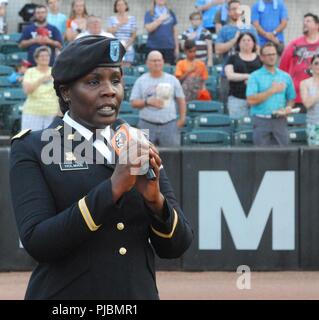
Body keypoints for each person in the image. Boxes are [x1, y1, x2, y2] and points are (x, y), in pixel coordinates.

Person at [10, 35, 193, 300]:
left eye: (116, 80)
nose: (109, 90)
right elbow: (38, 243)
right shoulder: (33, 147)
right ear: (65, 92)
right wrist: (113, 188)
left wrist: (155, 201)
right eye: (94, 81)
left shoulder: (136, 140)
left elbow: (177, 246)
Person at [130, 51, 187, 147]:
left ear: (163, 62)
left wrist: (182, 119)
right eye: (153, 61)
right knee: (144, 159)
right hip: (146, 124)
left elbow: (181, 100)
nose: (156, 63)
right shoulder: (140, 81)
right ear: (147, 63)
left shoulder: (172, 80)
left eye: (159, 60)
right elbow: (133, 103)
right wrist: (147, 102)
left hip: (169, 125)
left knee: (172, 158)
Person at [246, 42, 296, 146]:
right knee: (262, 157)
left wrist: (288, 108)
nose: (272, 57)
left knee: (284, 156)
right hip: (261, 121)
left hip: (280, 121)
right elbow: (250, 100)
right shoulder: (255, 76)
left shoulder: (285, 76)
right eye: (268, 55)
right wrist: (271, 90)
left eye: (273, 54)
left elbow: (291, 98)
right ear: (262, 58)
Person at [215, 0, 258, 106]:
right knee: (225, 107)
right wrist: (234, 41)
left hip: (249, 74)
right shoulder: (224, 30)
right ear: (229, 12)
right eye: (233, 9)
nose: (236, 11)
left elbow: (257, 50)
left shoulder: (250, 28)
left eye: (238, 9)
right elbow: (218, 49)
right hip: (227, 75)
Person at [280, 13, 319, 113]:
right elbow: (283, 67)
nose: (304, 23)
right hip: (297, 97)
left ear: (317, 25)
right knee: (297, 127)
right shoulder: (295, 44)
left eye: (308, 21)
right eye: (304, 21)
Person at [224, 32, 262, 119]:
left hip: (257, 99)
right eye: (243, 40)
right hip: (237, 99)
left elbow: (264, 76)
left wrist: (252, 82)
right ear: (239, 43)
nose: (246, 42)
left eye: (249, 40)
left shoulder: (260, 59)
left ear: (253, 43)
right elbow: (230, 75)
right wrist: (248, 76)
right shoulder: (232, 58)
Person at [21, 46, 59, 131]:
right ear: (36, 59)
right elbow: (27, 90)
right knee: (31, 141)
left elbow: (59, 92)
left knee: (50, 142)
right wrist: (41, 80)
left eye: (47, 56)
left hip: (52, 112)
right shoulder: (30, 72)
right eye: (42, 56)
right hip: (32, 112)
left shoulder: (55, 71)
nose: (45, 58)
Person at [144, 0, 179, 65]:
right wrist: (160, 19)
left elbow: (175, 32)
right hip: (153, 47)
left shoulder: (171, 13)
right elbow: (149, 28)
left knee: (167, 69)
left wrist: (177, 48)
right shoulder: (149, 13)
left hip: (169, 47)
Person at [106, 0, 137, 67]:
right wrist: (120, 24)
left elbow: (133, 35)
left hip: (128, 45)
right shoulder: (111, 19)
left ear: (126, 6)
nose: (120, 7)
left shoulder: (132, 18)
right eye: (118, 5)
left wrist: (127, 45)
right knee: (116, 65)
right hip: (116, 45)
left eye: (122, 4)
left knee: (127, 66)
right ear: (115, 7)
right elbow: (109, 32)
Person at [300, 54, 319, 146]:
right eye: (316, 63)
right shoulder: (305, 83)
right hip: (313, 125)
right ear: (311, 66)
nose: (318, 66)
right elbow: (307, 104)